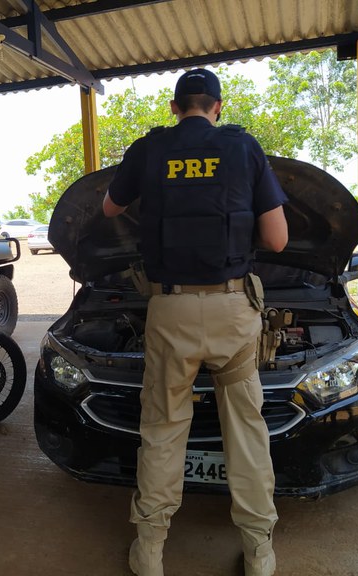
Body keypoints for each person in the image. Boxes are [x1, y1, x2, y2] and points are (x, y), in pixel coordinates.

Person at [102, 68, 289, 576]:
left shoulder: (149, 148)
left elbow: (107, 205)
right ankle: (259, 552)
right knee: (247, 430)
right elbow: (277, 240)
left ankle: (150, 550)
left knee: (162, 427)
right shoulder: (243, 147)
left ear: (174, 106)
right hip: (233, 310)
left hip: (171, 309)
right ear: (218, 107)